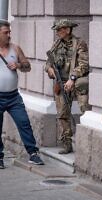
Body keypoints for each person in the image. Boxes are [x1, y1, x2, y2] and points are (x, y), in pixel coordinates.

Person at [0, 19, 44, 169]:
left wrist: (18, 65)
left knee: (24, 123)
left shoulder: (15, 48)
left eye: (9, 32)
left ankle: (33, 153)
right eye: (6, 32)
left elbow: (28, 67)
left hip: (13, 96)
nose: (9, 35)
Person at [45, 19, 90, 154]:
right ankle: (67, 144)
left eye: (60, 29)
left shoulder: (79, 43)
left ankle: (87, 141)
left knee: (84, 110)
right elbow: (48, 62)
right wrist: (49, 69)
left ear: (67, 30)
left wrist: (72, 78)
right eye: (57, 30)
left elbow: (83, 64)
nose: (58, 32)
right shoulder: (56, 45)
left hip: (75, 81)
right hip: (60, 81)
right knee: (62, 114)